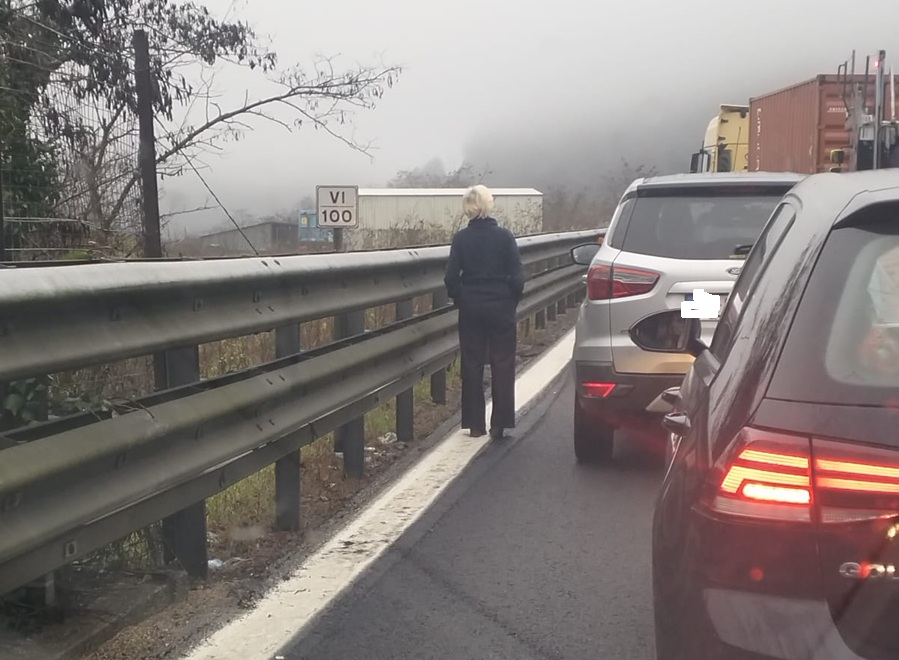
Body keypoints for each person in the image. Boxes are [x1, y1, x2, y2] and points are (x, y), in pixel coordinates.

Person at [444, 184, 525, 439]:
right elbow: (518, 276)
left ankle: (474, 424)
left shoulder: (461, 239)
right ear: (489, 204)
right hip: (501, 305)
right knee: (503, 363)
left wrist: (460, 297)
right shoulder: (504, 237)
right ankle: (500, 423)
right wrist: (510, 299)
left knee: (472, 363)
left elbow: (450, 278)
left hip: (471, 307)